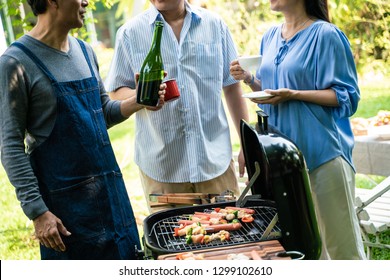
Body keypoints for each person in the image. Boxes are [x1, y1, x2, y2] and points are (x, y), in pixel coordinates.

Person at [0, 0, 165, 260]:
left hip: (112, 200)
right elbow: (9, 145)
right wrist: (37, 211)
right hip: (66, 215)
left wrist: (138, 101)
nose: (86, 2)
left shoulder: (85, 51)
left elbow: (102, 112)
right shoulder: (15, 62)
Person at [230, 0, 366, 260]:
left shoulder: (326, 35)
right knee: (306, 250)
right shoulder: (270, 36)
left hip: (323, 156)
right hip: (284, 165)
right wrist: (249, 79)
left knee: (342, 251)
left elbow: (347, 97)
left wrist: (293, 95)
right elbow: (271, 90)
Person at [105, 0, 249, 213]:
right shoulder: (130, 33)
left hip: (214, 162)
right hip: (162, 169)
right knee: (173, 242)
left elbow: (232, 86)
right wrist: (143, 97)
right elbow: (116, 91)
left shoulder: (215, 26)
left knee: (226, 238)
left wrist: (246, 144)